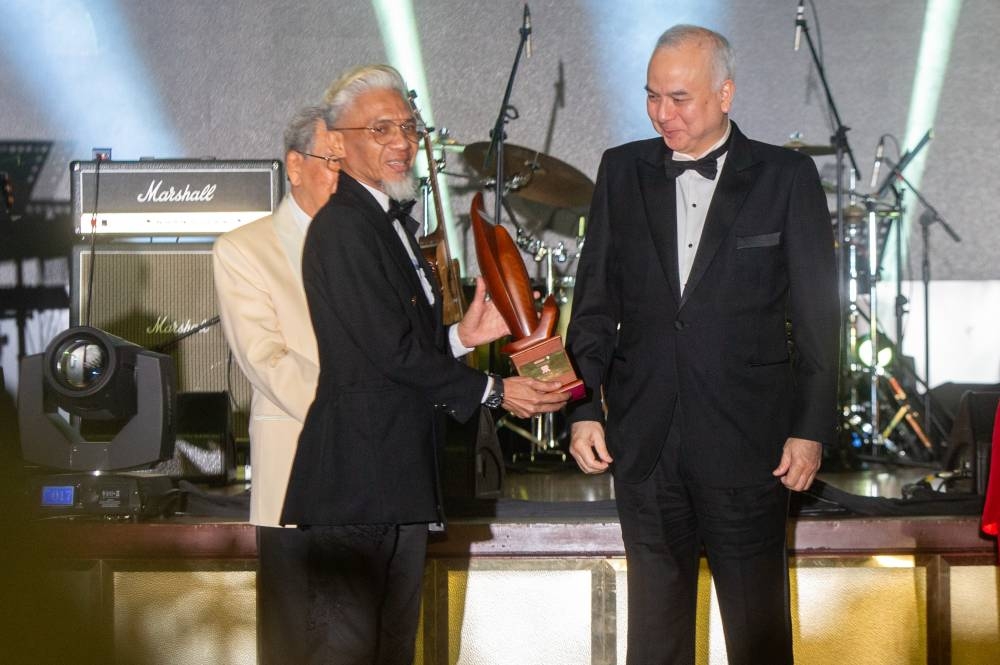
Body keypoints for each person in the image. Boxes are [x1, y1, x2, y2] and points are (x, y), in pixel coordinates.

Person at [565, 25, 839, 665]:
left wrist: (810, 429)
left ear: (726, 94)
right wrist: (581, 408)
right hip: (645, 441)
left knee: (757, 632)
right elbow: (594, 308)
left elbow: (819, 320)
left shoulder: (787, 177)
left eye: (680, 98)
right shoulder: (620, 170)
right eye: (653, 96)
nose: (663, 113)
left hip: (751, 441)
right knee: (654, 638)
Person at [280, 64, 570, 665]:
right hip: (353, 489)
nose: (402, 143)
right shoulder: (341, 228)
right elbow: (388, 353)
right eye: (381, 129)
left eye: (408, 127)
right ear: (337, 143)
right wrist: (496, 390)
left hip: (395, 481)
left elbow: (398, 345)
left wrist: (463, 337)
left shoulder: (391, 226)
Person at [212, 106, 343, 665]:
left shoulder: (378, 241)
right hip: (297, 476)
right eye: (333, 162)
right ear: (295, 165)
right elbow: (266, 359)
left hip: (378, 479)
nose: (346, 175)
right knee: (296, 646)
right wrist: (355, 411)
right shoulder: (245, 248)